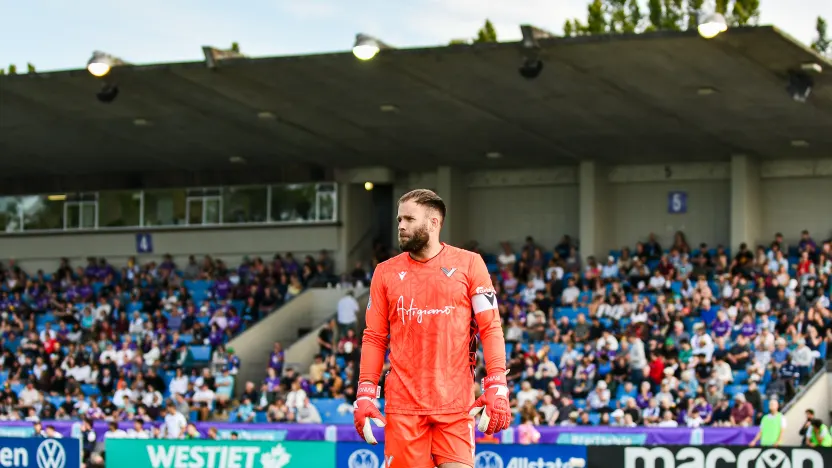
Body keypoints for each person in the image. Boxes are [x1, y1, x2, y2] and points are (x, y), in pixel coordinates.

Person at [354, 189, 511, 468]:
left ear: (434, 223)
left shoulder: (470, 264)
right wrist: (365, 392)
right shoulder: (385, 272)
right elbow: (374, 337)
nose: (401, 226)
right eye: (399, 219)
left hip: (456, 405)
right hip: (403, 408)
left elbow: (490, 327)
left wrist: (497, 383)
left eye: (410, 219)